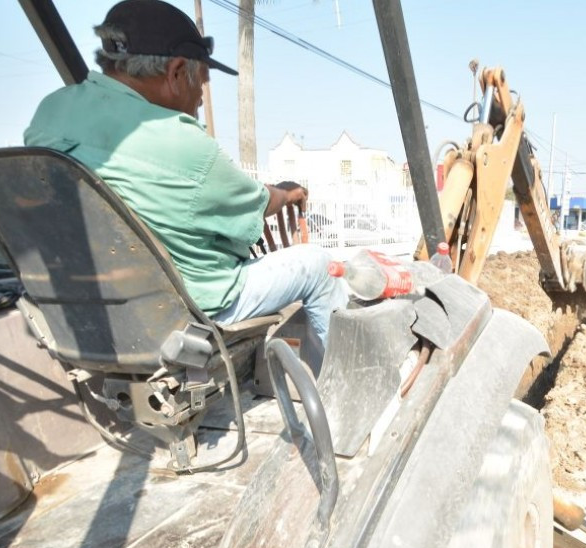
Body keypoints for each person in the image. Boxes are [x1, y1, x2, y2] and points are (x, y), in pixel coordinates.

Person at [23, 0, 346, 348]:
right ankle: (334, 390)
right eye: (201, 85)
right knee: (319, 265)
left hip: (88, 302)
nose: (200, 101)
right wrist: (287, 193)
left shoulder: (51, 111)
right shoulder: (180, 141)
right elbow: (257, 204)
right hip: (183, 309)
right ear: (176, 72)